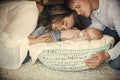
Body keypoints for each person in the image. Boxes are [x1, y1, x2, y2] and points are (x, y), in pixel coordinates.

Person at [0, 1, 82, 69]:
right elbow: (6, 42)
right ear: (59, 13)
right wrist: (37, 41)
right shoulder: (32, 13)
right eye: (63, 23)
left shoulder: (43, 19)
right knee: (23, 56)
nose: (61, 28)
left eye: (64, 29)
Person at [65, 0, 120, 70]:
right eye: (75, 10)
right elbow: (98, 24)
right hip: (113, 29)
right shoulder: (93, 9)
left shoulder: (113, 7)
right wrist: (80, 35)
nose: (78, 13)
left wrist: (107, 55)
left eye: (78, 6)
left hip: (115, 29)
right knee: (95, 35)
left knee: (115, 64)